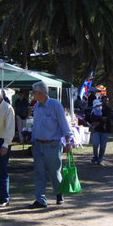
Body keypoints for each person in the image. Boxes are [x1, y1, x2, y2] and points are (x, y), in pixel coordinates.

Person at [29, 81, 73, 209]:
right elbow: (35, 126)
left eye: (34, 92)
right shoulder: (36, 106)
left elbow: (64, 124)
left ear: (41, 92)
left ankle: (59, 194)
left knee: (54, 172)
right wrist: (33, 142)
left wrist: (68, 142)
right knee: (39, 172)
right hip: (38, 144)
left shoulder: (55, 105)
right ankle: (40, 200)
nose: (33, 94)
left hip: (52, 145)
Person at [87, 96, 112, 165]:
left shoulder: (108, 109)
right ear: (101, 101)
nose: (106, 102)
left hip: (105, 130)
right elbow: (92, 117)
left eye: (107, 101)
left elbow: (108, 119)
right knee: (95, 144)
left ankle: (100, 159)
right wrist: (101, 119)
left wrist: (99, 121)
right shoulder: (96, 108)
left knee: (103, 146)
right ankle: (95, 157)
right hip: (96, 130)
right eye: (104, 100)